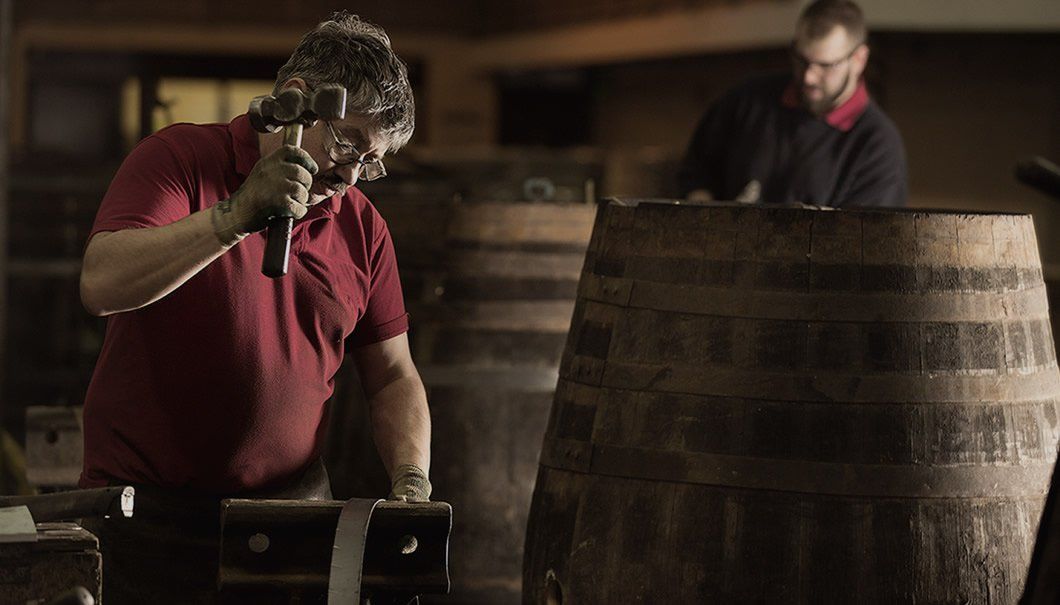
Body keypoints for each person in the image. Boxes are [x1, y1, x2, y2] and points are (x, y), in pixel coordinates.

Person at [77, 12, 430, 603]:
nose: (349, 176)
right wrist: (237, 216)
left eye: (371, 162)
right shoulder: (180, 159)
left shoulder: (364, 228)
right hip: (145, 519)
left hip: (288, 524)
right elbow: (102, 282)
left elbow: (393, 376)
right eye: (346, 144)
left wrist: (412, 478)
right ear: (295, 99)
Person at [677, 0, 907, 207]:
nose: (808, 77)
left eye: (826, 66)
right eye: (802, 60)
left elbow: (860, 245)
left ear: (858, 60)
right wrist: (701, 205)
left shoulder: (878, 147)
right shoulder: (747, 99)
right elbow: (696, 168)